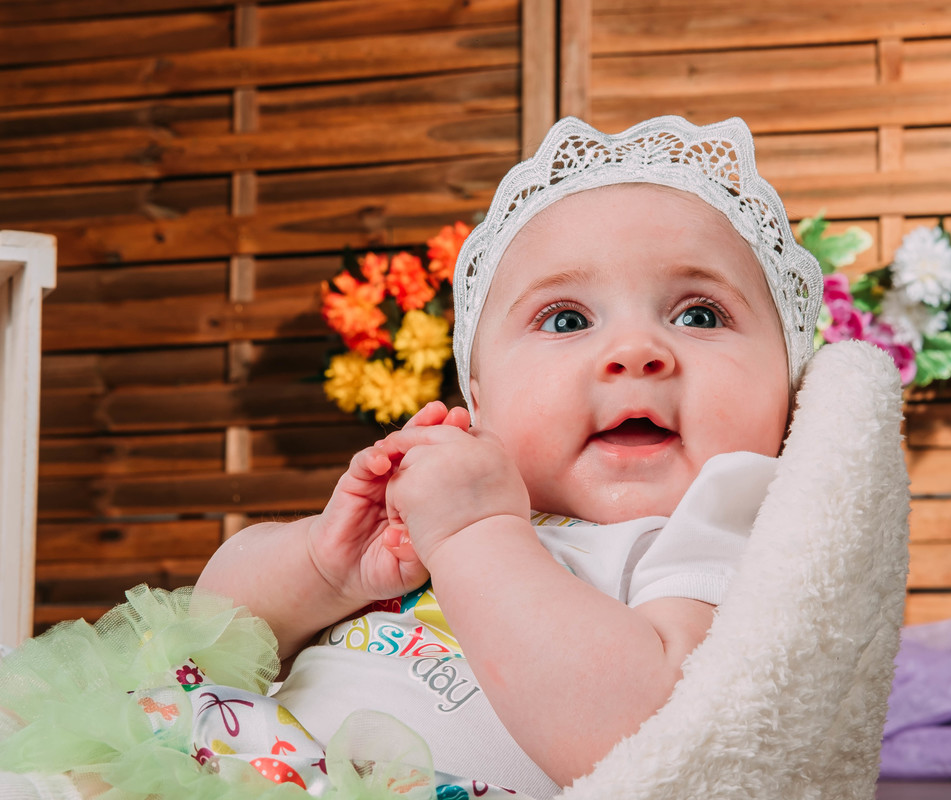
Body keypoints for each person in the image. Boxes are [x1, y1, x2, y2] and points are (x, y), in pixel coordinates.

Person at [0, 115, 823, 799]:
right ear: (481, 397)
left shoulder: (720, 529)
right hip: (202, 757)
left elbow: (648, 743)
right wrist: (325, 570)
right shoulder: (451, 490)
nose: (636, 351)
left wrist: (475, 535)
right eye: (568, 319)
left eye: (700, 314)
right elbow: (208, 625)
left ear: (789, 389)